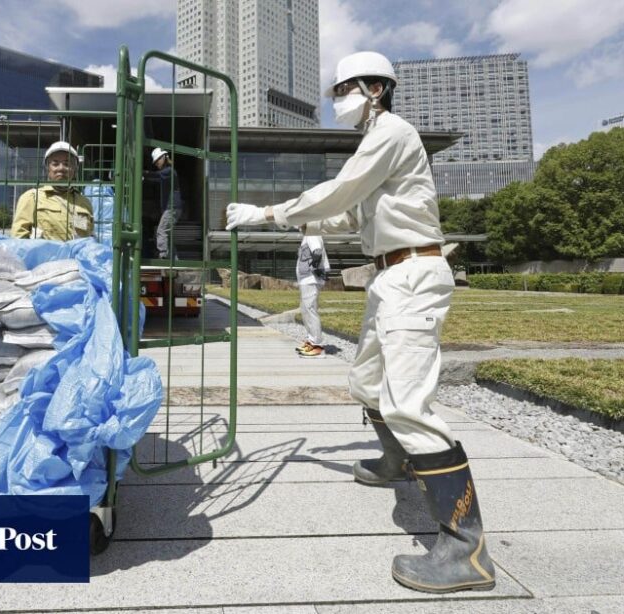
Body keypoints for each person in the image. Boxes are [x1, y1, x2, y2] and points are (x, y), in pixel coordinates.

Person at [224, 51, 494, 594]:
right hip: (389, 276)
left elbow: (342, 189)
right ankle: (397, 462)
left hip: (414, 274)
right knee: (367, 383)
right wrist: (289, 222)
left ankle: (468, 550)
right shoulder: (377, 142)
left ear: (375, 89)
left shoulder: (391, 131)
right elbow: (348, 214)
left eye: (343, 89)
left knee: (406, 404)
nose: (336, 100)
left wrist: (269, 211)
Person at [10, 141, 94, 241]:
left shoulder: (84, 203)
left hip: (75, 257)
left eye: (67, 163)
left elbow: (89, 238)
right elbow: (18, 240)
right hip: (43, 257)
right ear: (47, 168)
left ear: (75, 169)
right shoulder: (32, 198)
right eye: (55, 164)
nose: (61, 168)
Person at [144, 147, 184, 259]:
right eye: (155, 162)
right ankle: (174, 258)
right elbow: (155, 179)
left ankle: (163, 256)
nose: (156, 163)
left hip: (172, 207)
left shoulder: (169, 171)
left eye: (158, 161)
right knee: (167, 235)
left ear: (164, 158)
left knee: (161, 230)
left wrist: (143, 173)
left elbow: (155, 175)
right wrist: (144, 178)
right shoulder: (166, 174)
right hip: (173, 207)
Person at [295, 234, 329, 358]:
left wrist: (314, 266)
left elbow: (317, 251)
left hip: (310, 279)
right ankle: (311, 341)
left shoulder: (312, 232)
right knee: (305, 310)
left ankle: (317, 347)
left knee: (310, 310)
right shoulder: (307, 234)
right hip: (306, 279)